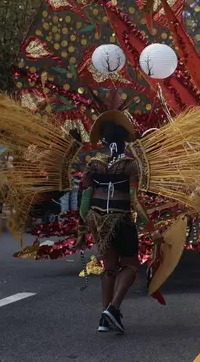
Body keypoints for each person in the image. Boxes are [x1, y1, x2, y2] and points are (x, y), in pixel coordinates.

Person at [74, 113, 156, 334]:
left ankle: (103, 319)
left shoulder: (93, 166)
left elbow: (84, 202)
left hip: (98, 221)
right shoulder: (131, 165)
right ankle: (113, 308)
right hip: (121, 220)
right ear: (123, 141)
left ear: (103, 141)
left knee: (109, 268)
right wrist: (152, 229)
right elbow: (136, 201)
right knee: (130, 265)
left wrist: (84, 228)